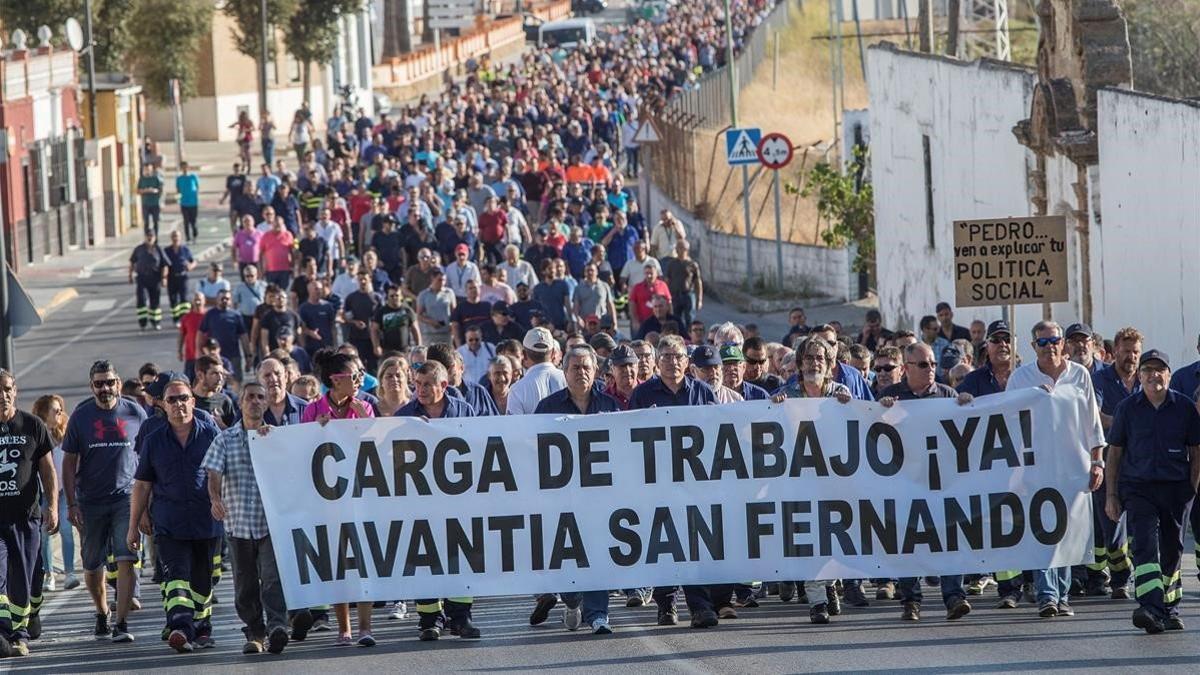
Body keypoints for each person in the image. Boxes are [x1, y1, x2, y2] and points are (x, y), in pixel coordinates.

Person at [1006, 321, 1105, 620]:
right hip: (1035, 469)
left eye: (1055, 340)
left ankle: (1062, 595)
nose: (1050, 346)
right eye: (1043, 342)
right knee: (1043, 533)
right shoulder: (1021, 378)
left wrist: (1097, 461)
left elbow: (1092, 422)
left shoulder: (1079, 375)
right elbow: (1005, 419)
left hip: (1073, 467)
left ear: (1063, 343)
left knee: (1067, 533)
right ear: (1033, 346)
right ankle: (1047, 595)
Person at [626, 334, 724, 628]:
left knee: (694, 542)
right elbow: (628, 435)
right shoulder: (643, 395)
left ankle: (700, 605)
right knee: (663, 542)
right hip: (657, 482)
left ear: (687, 361)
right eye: (666, 356)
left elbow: (720, 432)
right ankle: (665, 603)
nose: (672, 362)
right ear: (657, 362)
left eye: (678, 356)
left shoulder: (703, 392)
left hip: (695, 482)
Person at [1104, 349, 1200, 634]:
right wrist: (1111, 495)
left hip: (1175, 489)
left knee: (1173, 550)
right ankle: (1150, 607)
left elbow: (1196, 451)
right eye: (1147, 370)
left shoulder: (1184, 408)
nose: (1153, 375)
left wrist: (1192, 489)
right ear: (1140, 375)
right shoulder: (1127, 408)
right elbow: (1115, 453)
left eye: (1159, 370)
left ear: (1169, 374)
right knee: (1144, 545)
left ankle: (1169, 607)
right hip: (1138, 489)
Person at [878, 342, 975, 622]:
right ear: (907, 368)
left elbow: (966, 432)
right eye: (923, 364)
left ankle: (954, 596)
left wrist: (969, 408)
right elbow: (872, 434)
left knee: (948, 538)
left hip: (942, 482)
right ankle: (911, 600)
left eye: (933, 364)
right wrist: (881, 411)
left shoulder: (948, 395)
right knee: (908, 541)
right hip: (904, 482)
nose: (930, 369)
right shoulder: (891, 395)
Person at [128, 377, 222, 653]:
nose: (179, 404)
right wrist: (134, 525)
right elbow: (143, 484)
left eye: (184, 398)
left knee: (203, 580)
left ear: (193, 402)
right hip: (169, 521)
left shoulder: (210, 434)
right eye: (172, 400)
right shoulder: (154, 440)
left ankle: (202, 629)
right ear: (163, 405)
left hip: (207, 520)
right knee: (176, 576)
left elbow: (226, 474)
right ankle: (180, 627)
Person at [531, 345, 620, 635]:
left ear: (595, 371)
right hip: (561, 498)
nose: (581, 372)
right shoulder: (547, 407)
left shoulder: (610, 406)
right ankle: (571, 600)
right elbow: (532, 449)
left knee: (597, 552)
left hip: (599, 497)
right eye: (575, 367)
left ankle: (598, 615)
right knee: (568, 557)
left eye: (586, 367)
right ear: (565, 372)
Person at [60, 361, 148, 643]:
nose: (105, 388)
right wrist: (72, 503)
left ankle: (121, 623)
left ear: (118, 383)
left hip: (126, 498)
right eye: (99, 383)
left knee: (127, 558)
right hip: (91, 501)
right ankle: (102, 612)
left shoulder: (135, 411)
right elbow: (69, 462)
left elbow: (148, 456)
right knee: (92, 563)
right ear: (91, 387)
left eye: (109, 382)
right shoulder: (81, 416)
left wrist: (147, 502)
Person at [394, 361, 481, 642]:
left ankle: (461, 617)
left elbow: (479, 448)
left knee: (461, 556)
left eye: (427, 384)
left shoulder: (464, 411)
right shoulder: (405, 415)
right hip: (420, 502)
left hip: (459, 501)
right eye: (417, 384)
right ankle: (430, 619)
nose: (420, 389)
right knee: (425, 557)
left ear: (444, 385)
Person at [768, 336, 854, 621]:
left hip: (836, 481)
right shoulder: (787, 394)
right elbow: (769, 430)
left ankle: (829, 584)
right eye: (809, 358)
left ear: (829, 365)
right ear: (800, 363)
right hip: (800, 481)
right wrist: (773, 407)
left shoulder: (841, 392)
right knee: (810, 539)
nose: (814, 363)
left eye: (820, 358)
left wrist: (850, 407)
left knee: (834, 538)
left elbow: (860, 426)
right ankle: (817, 600)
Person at [202, 382, 291, 654]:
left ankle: (277, 626)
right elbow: (213, 472)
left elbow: (293, 469)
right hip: (238, 523)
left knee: (273, 578)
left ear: (266, 403)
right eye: (249, 397)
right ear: (240, 403)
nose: (254, 401)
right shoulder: (224, 439)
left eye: (260, 397)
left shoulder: (276, 437)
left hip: (269, 523)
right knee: (245, 584)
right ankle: (255, 632)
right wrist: (215, 499)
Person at [301, 350, 377, 646]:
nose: (359, 380)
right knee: (338, 562)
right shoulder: (313, 410)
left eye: (359, 374)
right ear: (335, 380)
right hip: (328, 500)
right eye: (353, 375)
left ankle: (365, 627)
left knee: (364, 561)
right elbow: (301, 449)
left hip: (361, 496)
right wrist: (315, 431)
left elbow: (373, 445)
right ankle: (344, 628)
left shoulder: (366, 407)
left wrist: (361, 419)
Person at [0, 369, 59, 658]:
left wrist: (53, 505)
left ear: (15, 391)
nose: (3, 395)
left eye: (8, 389)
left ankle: (19, 633)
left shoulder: (32, 425)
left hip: (25, 517)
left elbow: (48, 471)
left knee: (23, 578)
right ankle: (2, 631)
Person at [31, 396, 77, 595]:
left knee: (67, 529)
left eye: (60, 410)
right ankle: (48, 574)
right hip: (43, 492)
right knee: (45, 532)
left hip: (64, 491)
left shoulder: (65, 434)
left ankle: (69, 573)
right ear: (43, 413)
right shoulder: (37, 434)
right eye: (54, 410)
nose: (59, 414)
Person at [505, 328, 567, 415]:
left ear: (524, 355)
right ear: (553, 354)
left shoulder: (517, 390)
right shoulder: (569, 380)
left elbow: (514, 426)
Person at [198, 289, 253, 381]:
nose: (224, 300)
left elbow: (244, 337)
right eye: (222, 298)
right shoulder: (210, 315)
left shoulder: (236, 315)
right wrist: (200, 352)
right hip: (214, 357)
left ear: (230, 300)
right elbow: (201, 334)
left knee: (236, 382)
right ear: (217, 299)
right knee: (215, 382)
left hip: (234, 356)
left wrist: (248, 356)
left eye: (227, 298)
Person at [129, 230, 169, 331]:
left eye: (151, 236)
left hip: (155, 279)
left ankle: (155, 322)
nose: (149, 238)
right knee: (141, 300)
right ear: (145, 237)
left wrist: (164, 278)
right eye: (148, 236)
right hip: (142, 278)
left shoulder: (158, 249)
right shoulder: (139, 249)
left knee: (155, 301)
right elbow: (132, 262)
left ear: (155, 238)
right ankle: (143, 323)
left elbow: (165, 265)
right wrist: (130, 275)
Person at [664, 239, 702, 327]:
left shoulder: (692, 264)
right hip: (675, 295)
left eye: (682, 248)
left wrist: (699, 299)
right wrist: (666, 297)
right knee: (676, 320)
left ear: (687, 250)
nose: (679, 250)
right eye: (678, 248)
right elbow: (667, 280)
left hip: (688, 294)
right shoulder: (671, 264)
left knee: (690, 318)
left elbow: (698, 282)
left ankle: (690, 338)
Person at [192, 356, 238, 428]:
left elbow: (235, 434)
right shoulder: (185, 400)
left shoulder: (224, 401)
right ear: (200, 375)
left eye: (221, 374)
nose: (220, 378)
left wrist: (221, 426)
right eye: (215, 373)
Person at [163, 230, 197, 324]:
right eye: (174, 236)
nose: (175, 238)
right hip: (171, 278)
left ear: (180, 237)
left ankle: (185, 318)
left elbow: (193, 261)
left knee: (184, 298)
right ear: (171, 238)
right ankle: (176, 318)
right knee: (173, 299)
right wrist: (164, 278)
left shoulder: (185, 249)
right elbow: (163, 265)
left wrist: (191, 266)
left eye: (177, 236)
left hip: (183, 277)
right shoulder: (167, 250)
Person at [416, 268, 456, 345]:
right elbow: (419, 315)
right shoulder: (423, 295)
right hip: (430, 334)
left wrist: (452, 325)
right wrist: (431, 322)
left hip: (446, 333)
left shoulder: (449, 293)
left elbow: (454, 312)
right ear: (432, 279)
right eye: (439, 280)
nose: (442, 283)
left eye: (444, 280)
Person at [176, 162, 200, 243]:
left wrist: (196, 195)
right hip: (184, 203)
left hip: (193, 202)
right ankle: (188, 237)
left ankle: (195, 235)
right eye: (183, 167)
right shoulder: (179, 178)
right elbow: (178, 189)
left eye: (185, 167)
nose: (184, 169)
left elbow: (197, 187)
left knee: (193, 221)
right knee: (186, 221)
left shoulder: (193, 176)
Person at [137, 164, 165, 236]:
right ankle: (147, 237)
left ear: (152, 170)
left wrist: (155, 191)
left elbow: (161, 190)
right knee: (146, 222)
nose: (147, 171)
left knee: (155, 222)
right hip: (145, 204)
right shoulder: (142, 179)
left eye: (149, 169)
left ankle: (156, 238)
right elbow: (138, 191)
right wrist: (144, 191)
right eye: (146, 169)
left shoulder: (156, 178)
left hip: (155, 203)